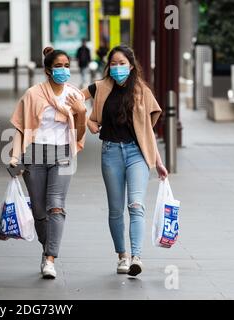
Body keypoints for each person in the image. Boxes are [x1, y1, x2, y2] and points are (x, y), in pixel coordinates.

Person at [83, 45, 168, 277]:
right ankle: (122, 256)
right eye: (113, 63)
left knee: (136, 205)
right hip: (110, 153)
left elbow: (146, 132)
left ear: (131, 66)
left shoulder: (142, 92)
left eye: (122, 63)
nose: (117, 67)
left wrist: (158, 161)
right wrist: (88, 121)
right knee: (115, 210)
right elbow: (72, 97)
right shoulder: (100, 88)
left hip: (136, 154)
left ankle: (136, 256)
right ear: (108, 66)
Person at [9, 47, 88, 280]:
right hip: (34, 155)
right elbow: (20, 128)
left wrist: (81, 112)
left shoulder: (75, 95)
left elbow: (80, 133)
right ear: (47, 70)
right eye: (58, 66)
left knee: (56, 205)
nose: (63, 70)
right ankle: (48, 247)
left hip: (63, 154)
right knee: (39, 211)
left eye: (66, 66)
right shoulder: (33, 94)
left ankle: (50, 258)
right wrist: (15, 158)